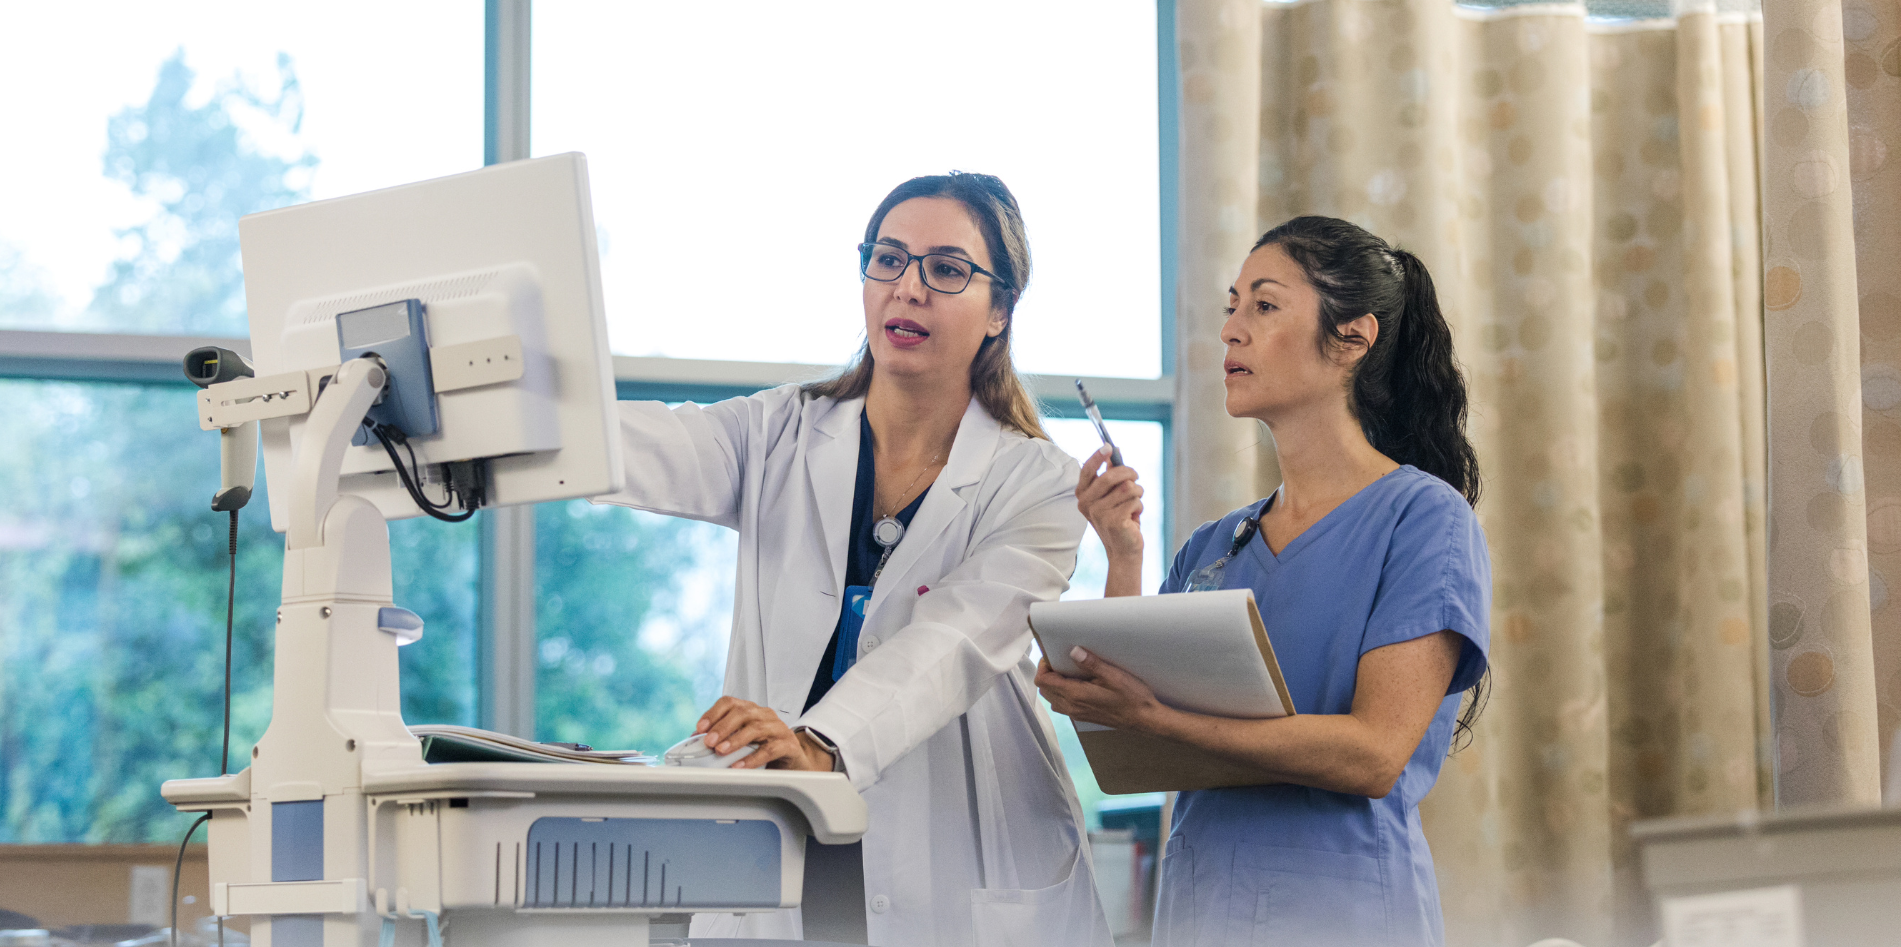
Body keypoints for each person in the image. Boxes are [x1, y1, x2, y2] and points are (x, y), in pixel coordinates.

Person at [594, 172, 1110, 946]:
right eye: (888, 258)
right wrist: (509, 418)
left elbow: (954, 641)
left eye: (946, 269)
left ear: (1000, 310)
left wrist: (821, 744)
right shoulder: (778, 433)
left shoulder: (1037, 484)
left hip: (959, 866)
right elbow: (628, 446)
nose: (908, 287)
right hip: (783, 846)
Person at [1037, 215, 1492, 947]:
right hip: (1199, 907)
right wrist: (1123, 555)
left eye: (1264, 305)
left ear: (1353, 338)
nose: (1231, 331)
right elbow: (1131, 745)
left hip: (1344, 915)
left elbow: (1374, 753)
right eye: (1231, 306)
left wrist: (1162, 720)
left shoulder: (1423, 520)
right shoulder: (1215, 545)